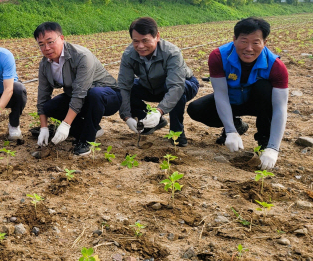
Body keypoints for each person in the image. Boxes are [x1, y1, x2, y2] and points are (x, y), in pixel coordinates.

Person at [187, 17, 288, 170]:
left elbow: (280, 107)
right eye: (243, 41)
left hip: (258, 103)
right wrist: (230, 130)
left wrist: (274, 147)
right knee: (196, 109)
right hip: (231, 101)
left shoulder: (276, 66)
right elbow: (220, 94)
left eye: (255, 42)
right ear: (234, 39)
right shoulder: (219, 57)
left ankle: (265, 142)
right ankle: (236, 124)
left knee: (264, 88)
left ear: (264, 43)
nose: (249, 48)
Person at [35, 22, 120, 157]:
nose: (47, 48)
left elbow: (80, 93)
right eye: (41, 44)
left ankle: (86, 140)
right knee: (50, 106)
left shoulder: (81, 56)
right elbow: (42, 96)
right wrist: (43, 127)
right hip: (81, 97)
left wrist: (66, 125)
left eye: (50, 42)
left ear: (62, 38)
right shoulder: (45, 64)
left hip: (107, 96)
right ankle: (90, 129)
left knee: (94, 94)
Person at [117, 17, 199, 146]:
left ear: (157, 36)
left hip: (183, 84)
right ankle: (148, 120)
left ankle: (176, 132)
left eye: (145, 40)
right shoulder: (128, 54)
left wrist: (159, 111)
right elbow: (123, 86)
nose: (140, 46)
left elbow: (175, 87)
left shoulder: (172, 53)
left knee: (175, 88)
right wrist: (126, 117)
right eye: (135, 41)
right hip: (150, 86)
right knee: (125, 89)